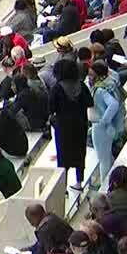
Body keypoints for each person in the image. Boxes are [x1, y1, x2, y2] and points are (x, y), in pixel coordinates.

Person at [49, 59, 92, 189]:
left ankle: (63, 186)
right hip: (80, 125)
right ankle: (79, 182)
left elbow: (51, 108)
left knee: (63, 157)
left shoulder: (57, 88)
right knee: (80, 154)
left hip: (63, 127)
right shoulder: (81, 85)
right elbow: (90, 102)